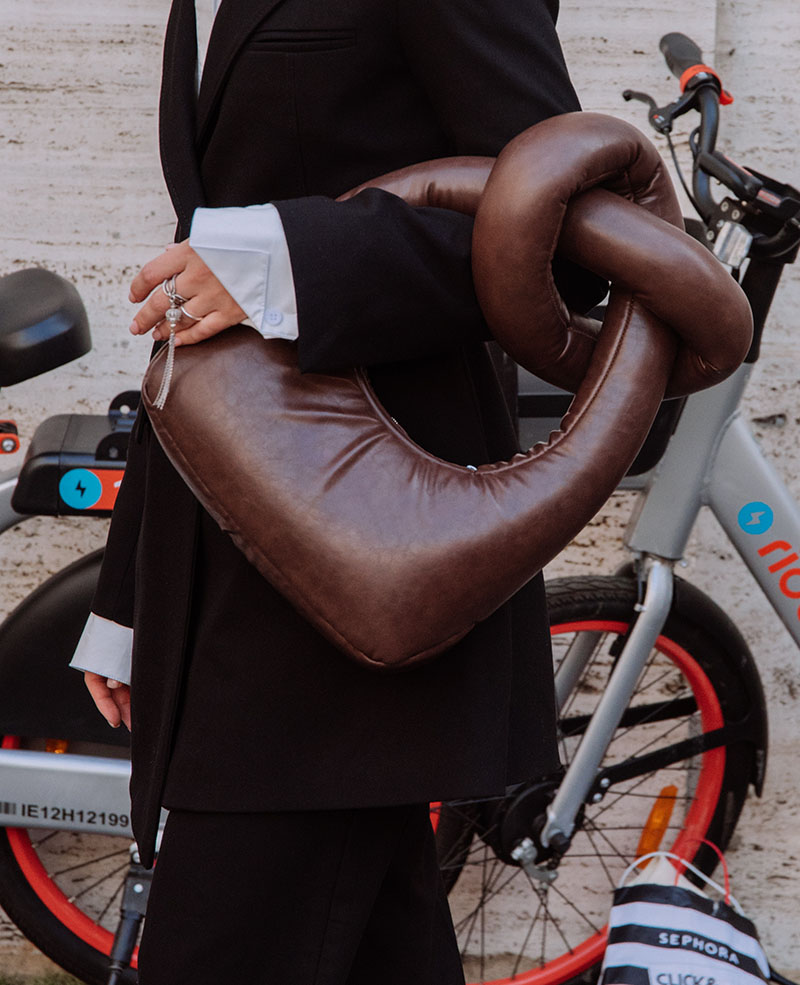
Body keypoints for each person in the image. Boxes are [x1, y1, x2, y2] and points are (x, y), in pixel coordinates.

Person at [70, 1, 601, 981]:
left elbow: (560, 229)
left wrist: (287, 262)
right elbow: (201, 287)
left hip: (357, 553)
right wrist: (135, 588)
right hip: (238, 556)